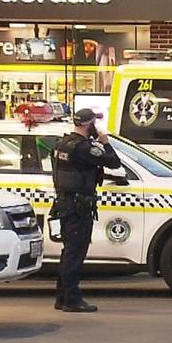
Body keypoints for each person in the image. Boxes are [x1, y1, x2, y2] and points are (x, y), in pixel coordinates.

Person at [51, 108, 122, 312]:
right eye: (93, 123)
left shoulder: (61, 144)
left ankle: (62, 297)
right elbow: (114, 162)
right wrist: (105, 143)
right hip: (78, 205)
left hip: (64, 204)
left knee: (69, 251)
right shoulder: (83, 148)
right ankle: (72, 299)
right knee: (75, 253)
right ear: (88, 124)